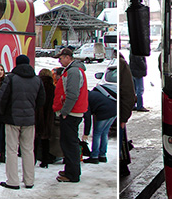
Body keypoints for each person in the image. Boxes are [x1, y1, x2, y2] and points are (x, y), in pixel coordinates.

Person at [0, 54, 45, 189]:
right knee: (28, 150)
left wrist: (4, 113)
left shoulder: (11, 79)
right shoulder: (37, 80)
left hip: (12, 118)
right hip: (30, 119)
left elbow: (2, 98)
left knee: (12, 150)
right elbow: (41, 100)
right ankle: (29, 180)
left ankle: (13, 181)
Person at [53, 47, 87, 183]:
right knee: (69, 142)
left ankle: (72, 174)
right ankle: (71, 170)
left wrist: (65, 112)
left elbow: (72, 94)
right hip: (73, 112)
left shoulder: (73, 72)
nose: (60, 61)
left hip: (71, 113)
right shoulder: (73, 70)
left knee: (69, 143)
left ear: (68, 57)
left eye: (61, 58)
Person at [82, 84, 117, 164]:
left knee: (97, 134)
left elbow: (87, 118)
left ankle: (94, 156)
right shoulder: (92, 94)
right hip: (114, 110)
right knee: (104, 133)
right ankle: (102, 155)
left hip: (105, 112)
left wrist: (86, 134)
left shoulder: (85, 99)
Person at [35, 68, 56, 168]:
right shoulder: (52, 87)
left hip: (37, 114)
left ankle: (33, 159)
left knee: (34, 138)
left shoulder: (37, 85)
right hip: (48, 115)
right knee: (45, 139)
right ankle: (45, 160)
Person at [118, 53, 135, 177]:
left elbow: (128, 94)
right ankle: (123, 168)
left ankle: (123, 168)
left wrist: (124, 117)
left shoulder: (121, 64)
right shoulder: (121, 63)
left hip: (120, 114)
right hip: (119, 113)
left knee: (121, 143)